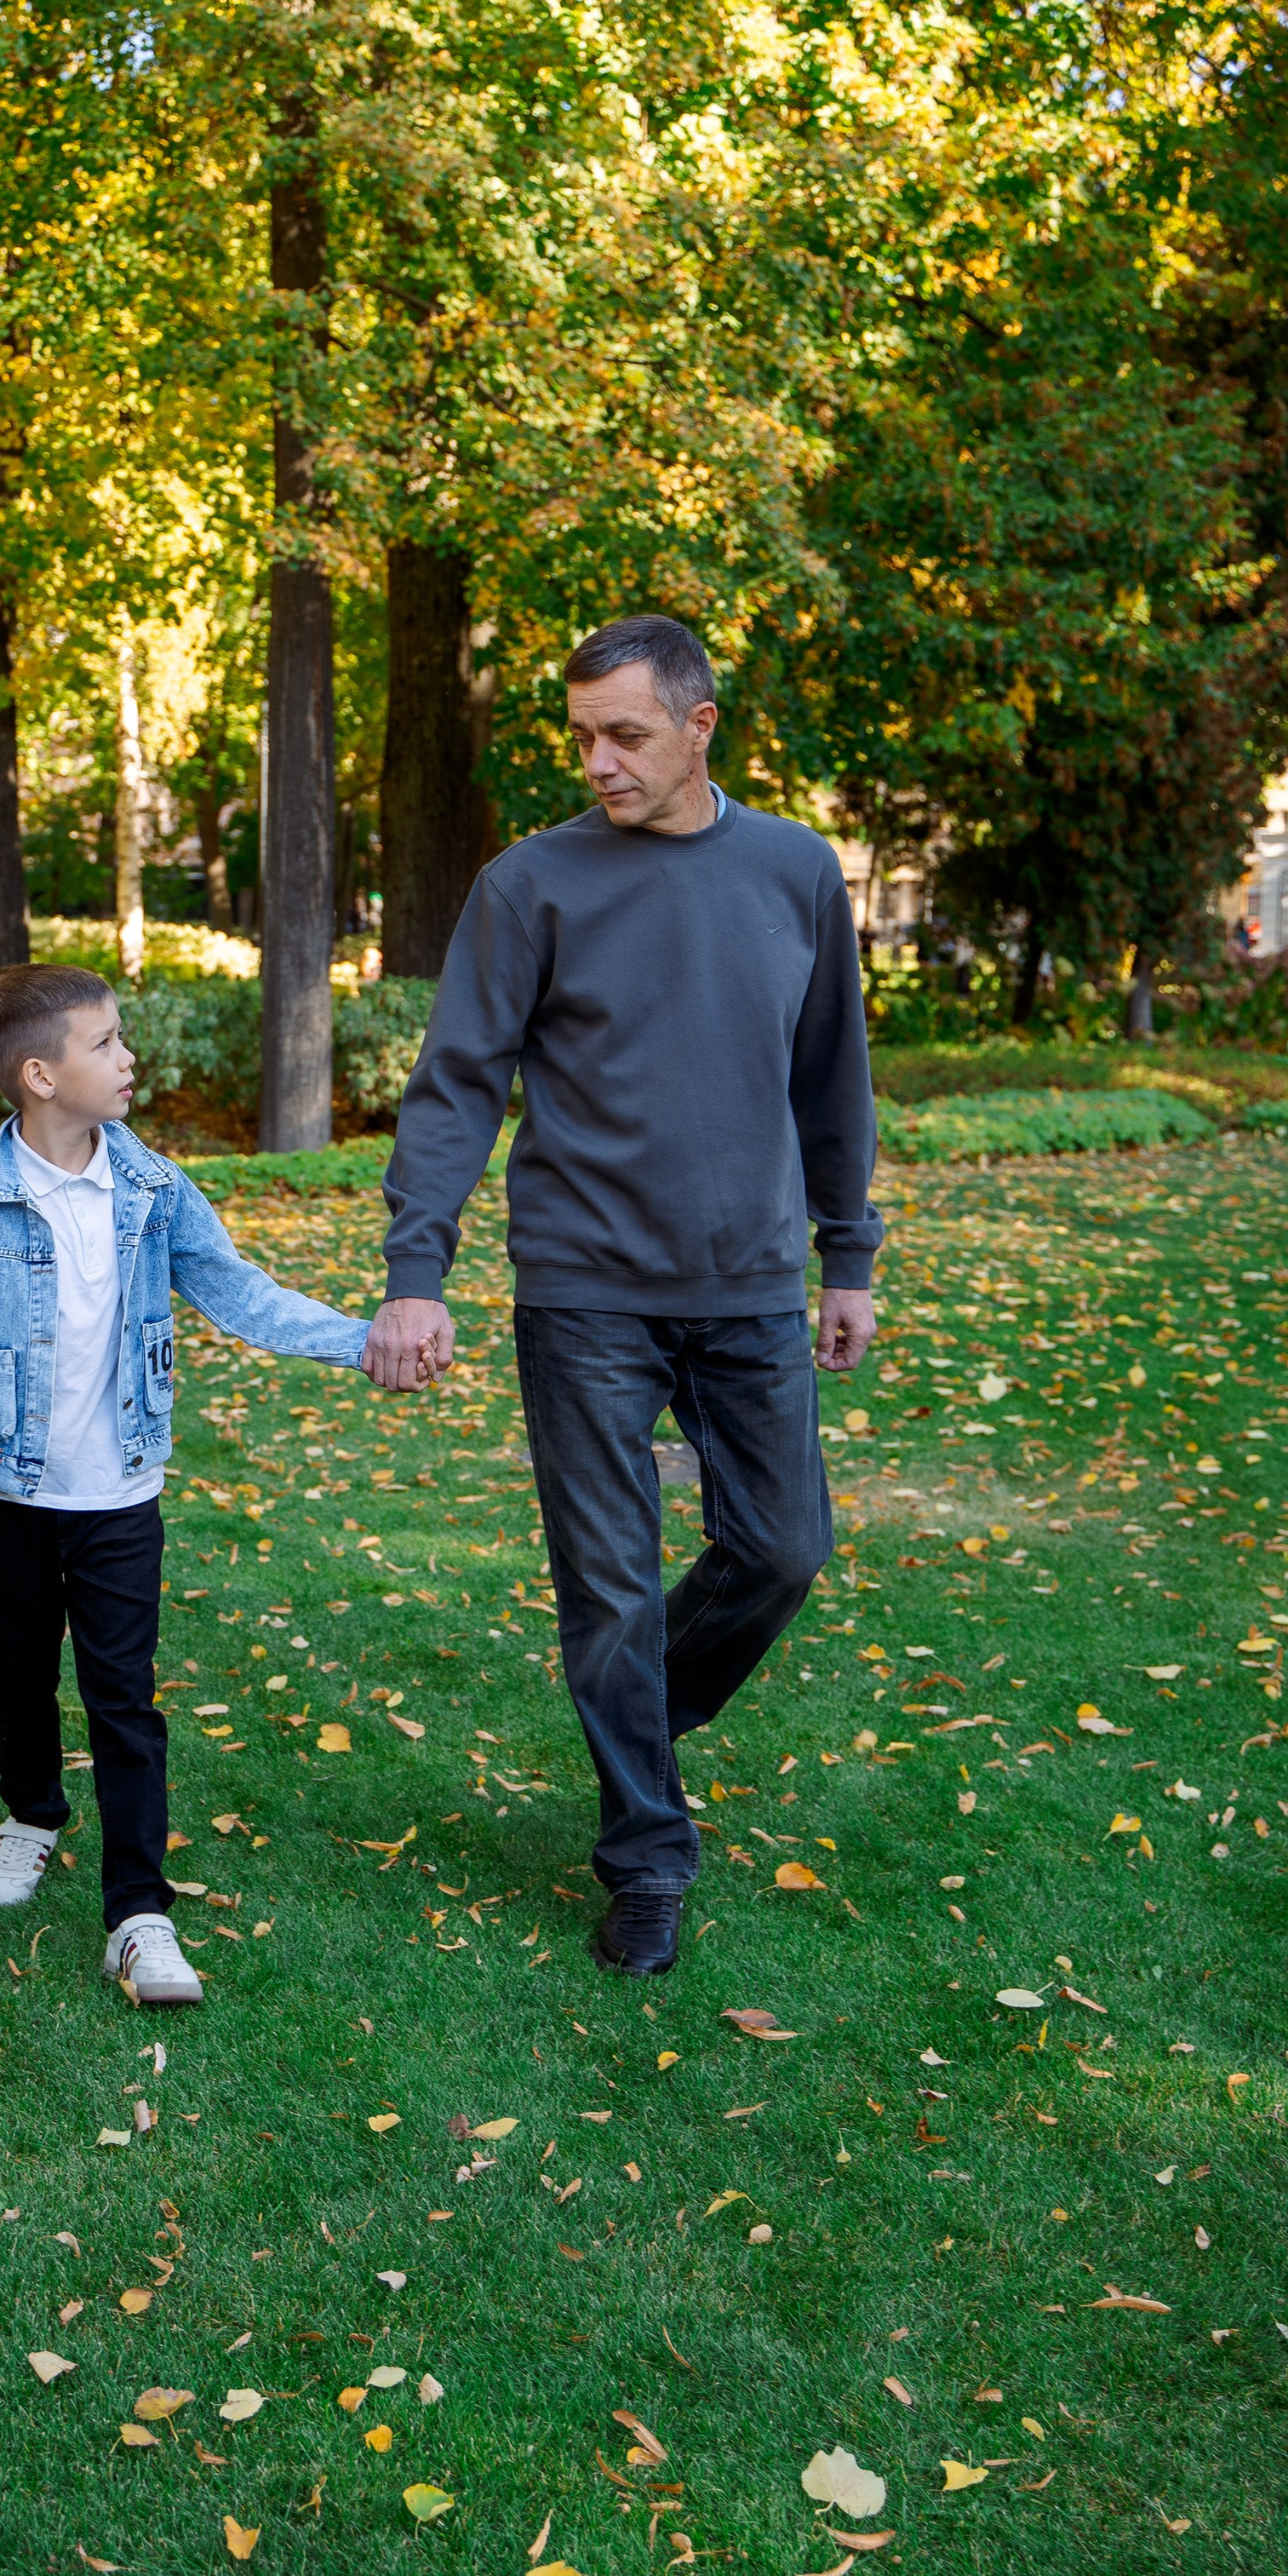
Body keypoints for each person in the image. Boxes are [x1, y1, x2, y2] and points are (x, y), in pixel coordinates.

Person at [364, 613, 882, 1977]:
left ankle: (635, 1714)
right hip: (585, 1288)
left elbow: (831, 1073)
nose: (599, 761)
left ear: (700, 728)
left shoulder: (793, 869)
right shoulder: (530, 884)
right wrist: (417, 1273)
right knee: (606, 1589)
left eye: (627, 736)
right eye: (584, 736)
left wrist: (849, 1253)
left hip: (753, 1281)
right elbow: (457, 1084)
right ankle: (648, 1858)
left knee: (784, 1550)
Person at [0, 963, 376, 2008]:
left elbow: (239, 1295)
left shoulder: (156, 1190)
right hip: (9, 1499)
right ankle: (32, 1815)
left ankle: (137, 1913)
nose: (129, 1059)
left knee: (123, 1696)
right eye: (106, 1043)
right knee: (18, 1671)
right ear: (40, 1075)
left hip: (120, 1497)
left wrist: (362, 1342)